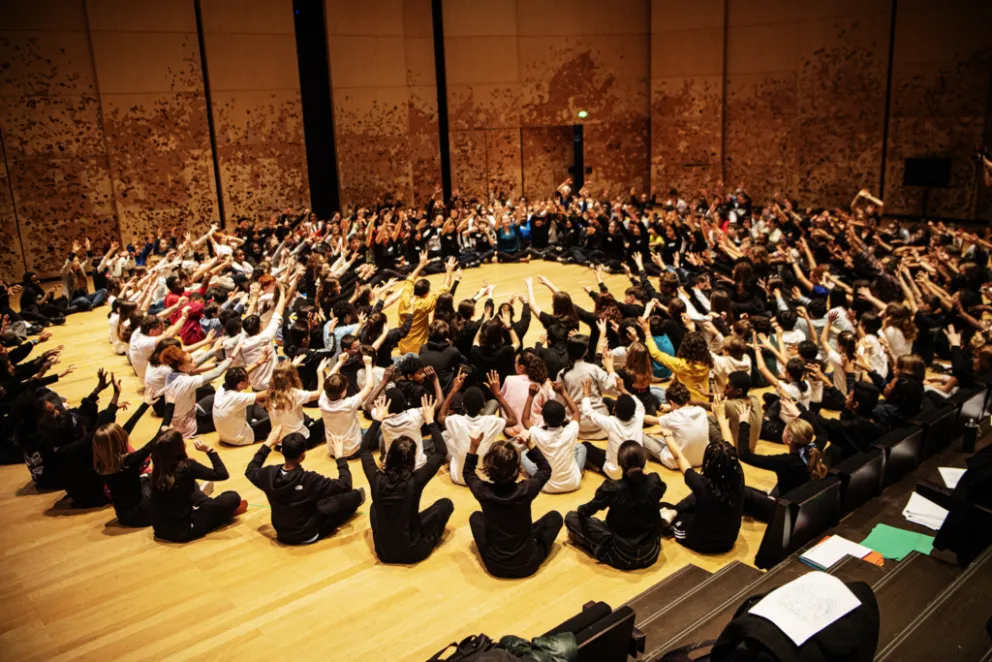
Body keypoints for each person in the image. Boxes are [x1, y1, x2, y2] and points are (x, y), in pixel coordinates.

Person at [361, 394, 453, 564]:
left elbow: (365, 450)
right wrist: (430, 421)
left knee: (375, 507)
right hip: (414, 550)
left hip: (383, 552)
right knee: (445, 504)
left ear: (388, 456)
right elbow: (440, 452)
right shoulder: (416, 479)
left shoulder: (376, 478)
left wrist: (377, 421)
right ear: (412, 460)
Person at [464, 433, 564, 579]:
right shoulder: (526, 489)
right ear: (517, 468)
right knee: (555, 517)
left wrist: (474, 446)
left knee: (476, 517)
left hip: (496, 566)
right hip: (528, 565)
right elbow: (545, 470)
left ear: (488, 467)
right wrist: (530, 445)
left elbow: (467, 472)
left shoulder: (483, 491)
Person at [245, 425, 365, 544]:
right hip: (309, 533)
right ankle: (357, 497)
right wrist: (339, 457)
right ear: (303, 456)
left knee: (323, 498)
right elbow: (345, 485)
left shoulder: (268, 474)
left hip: (282, 533)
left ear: (282, 452)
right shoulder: (310, 479)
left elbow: (250, 470)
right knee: (351, 496)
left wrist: (267, 444)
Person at [565, 440, 666, 570]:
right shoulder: (654, 481)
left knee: (571, 518)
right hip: (651, 553)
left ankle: (595, 543)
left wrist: (581, 511)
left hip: (622, 556)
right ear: (645, 462)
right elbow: (657, 491)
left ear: (619, 464)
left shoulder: (612, 488)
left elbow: (586, 511)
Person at [736, 401, 828, 523]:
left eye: (784, 430)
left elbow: (744, 455)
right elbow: (823, 433)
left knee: (742, 491)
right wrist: (799, 414)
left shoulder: (786, 461)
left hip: (787, 513)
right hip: (802, 503)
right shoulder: (813, 448)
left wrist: (744, 423)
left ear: (789, 439)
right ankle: (771, 497)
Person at [149, 430, 247, 542]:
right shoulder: (187, 467)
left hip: (159, 529)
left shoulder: (158, 464)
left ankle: (204, 502)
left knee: (190, 484)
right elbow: (222, 474)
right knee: (232, 497)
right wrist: (209, 450)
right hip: (183, 530)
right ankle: (216, 509)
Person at [660, 433, 744, 555]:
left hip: (702, 542)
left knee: (663, 506)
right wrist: (722, 420)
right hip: (730, 539)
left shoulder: (703, 485)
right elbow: (731, 446)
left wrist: (667, 436)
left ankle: (673, 516)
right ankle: (674, 511)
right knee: (697, 501)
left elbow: (679, 457)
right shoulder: (738, 475)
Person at [437, 368, 517, 486]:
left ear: (463, 406)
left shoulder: (456, 420)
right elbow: (513, 420)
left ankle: (454, 462)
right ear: (483, 405)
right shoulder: (491, 421)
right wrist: (498, 394)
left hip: (459, 477)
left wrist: (453, 390)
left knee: (444, 435)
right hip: (483, 477)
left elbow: (441, 417)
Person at [91, 401, 156, 527]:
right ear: (120, 440)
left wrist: (145, 405)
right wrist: (170, 409)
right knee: (160, 474)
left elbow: (128, 428)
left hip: (122, 516)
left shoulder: (100, 465)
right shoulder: (128, 462)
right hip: (143, 515)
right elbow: (154, 442)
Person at [521, 381, 584, 493]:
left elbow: (525, 420)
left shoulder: (538, 434)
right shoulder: (571, 431)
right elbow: (576, 412)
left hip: (546, 485)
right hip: (573, 483)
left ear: (544, 420)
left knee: (522, 454)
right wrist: (563, 392)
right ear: (564, 418)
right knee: (581, 448)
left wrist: (530, 396)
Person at [645, 380, 708, 470]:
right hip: (701, 459)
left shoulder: (674, 417)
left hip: (679, 462)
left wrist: (637, 414)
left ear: (672, 402)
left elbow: (651, 420)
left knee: (644, 437)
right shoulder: (701, 411)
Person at [212, 365, 272, 446]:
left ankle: (259, 422)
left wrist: (259, 362)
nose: (249, 380)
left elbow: (240, 375)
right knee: (273, 418)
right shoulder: (237, 397)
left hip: (225, 436)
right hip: (239, 439)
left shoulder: (221, 388)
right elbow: (266, 393)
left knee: (252, 404)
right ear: (241, 383)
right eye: (247, 378)